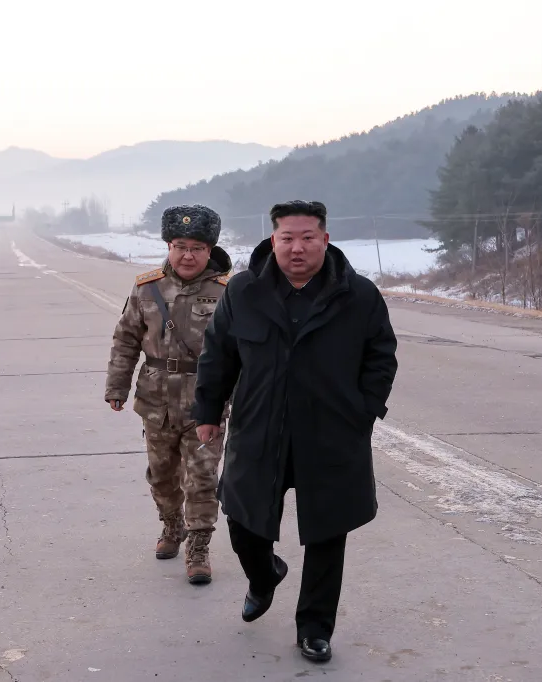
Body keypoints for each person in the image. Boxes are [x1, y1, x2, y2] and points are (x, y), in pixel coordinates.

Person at [192, 199, 398, 663]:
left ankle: (314, 628)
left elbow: (381, 354)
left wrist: (363, 411)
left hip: (331, 434)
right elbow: (218, 354)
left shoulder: (358, 295)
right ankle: (264, 576)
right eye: (287, 238)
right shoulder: (244, 290)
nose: (297, 247)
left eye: (308, 238)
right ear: (273, 240)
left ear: (325, 239)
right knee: (243, 518)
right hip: (259, 425)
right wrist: (207, 410)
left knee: (328, 532)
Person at [104, 204, 233, 584]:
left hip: (206, 400)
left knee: (203, 478)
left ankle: (199, 545)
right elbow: (125, 339)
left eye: (197, 247)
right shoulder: (147, 287)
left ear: (210, 250)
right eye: (180, 246)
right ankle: (172, 525)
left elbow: (243, 350)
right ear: (168, 245)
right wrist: (117, 386)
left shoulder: (228, 291)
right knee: (162, 476)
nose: (188, 255)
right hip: (156, 400)